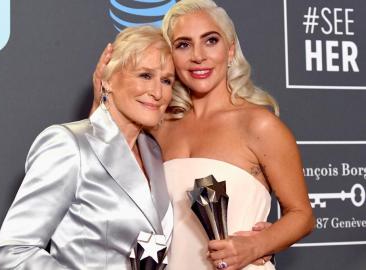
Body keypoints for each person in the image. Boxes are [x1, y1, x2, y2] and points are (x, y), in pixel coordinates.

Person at [92, 0, 314, 269]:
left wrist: (257, 245)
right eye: (183, 45)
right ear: (171, 56)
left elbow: (302, 215)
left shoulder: (259, 125)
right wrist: (102, 95)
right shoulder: (158, 127)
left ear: (230, 50)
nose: (198, 55)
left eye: (210, 41)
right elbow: (102, 182)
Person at [0, 26, 175, 270]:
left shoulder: (153, 152)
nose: (157, 92)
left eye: (166, 81)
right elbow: (14, 251)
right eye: (145, 75)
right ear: (108, 80)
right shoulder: (67, 144)